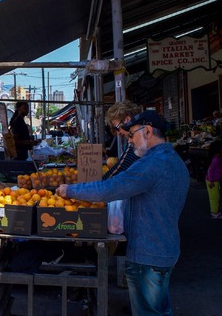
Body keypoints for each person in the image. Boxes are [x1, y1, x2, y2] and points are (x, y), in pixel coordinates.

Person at [56, 110, 189, 316]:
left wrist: (69, 190)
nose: (130, 141)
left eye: (132, 134)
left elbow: (110, 189)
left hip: (148, 255)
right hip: (165, 248)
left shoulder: (152, 164)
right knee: (161, 309)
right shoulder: (174, 160)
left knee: (149, 311)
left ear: (148, 131)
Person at [103, 101, 142, 180]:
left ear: (127, 120)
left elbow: (120, 170)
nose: (118, 132)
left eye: (117, 127)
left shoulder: (137, 142)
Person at [205, 140, 222, 219]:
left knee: (216, 196)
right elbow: (210, 171)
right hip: (212, 181)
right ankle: (214, 213)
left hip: (215, 181)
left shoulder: (218, 158)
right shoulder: (216, 159)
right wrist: (211, 181)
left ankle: (215, 211)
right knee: (214, 197)